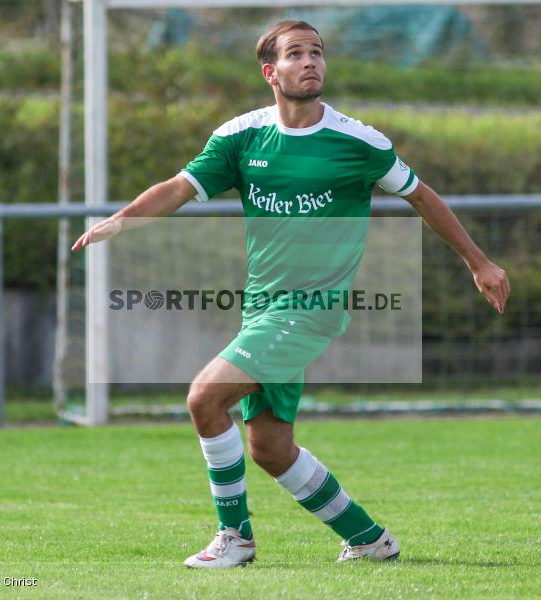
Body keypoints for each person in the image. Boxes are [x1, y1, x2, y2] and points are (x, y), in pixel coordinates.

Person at [73, 20, 510, 568]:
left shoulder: (359, 141)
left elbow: (423, 197)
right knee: (269, 449)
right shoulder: (240, 136)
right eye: (296, 54)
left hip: (312, 310)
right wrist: (119, 220)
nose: (311, 62)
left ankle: (236, 538)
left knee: (204, 398)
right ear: (270, 72)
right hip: (263, 308)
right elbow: (180, 188)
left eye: (317, 53)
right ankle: (370, 538)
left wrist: (480, 262)